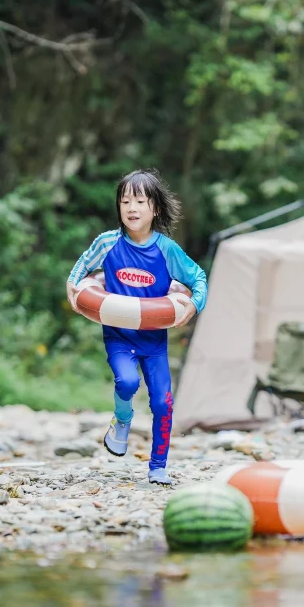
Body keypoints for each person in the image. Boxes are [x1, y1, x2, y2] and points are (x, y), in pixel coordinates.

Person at [67, 169, 208, 485]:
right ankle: (123, 419)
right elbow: (81, 267)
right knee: (127, 382)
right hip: (119, 336)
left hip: (154, 342)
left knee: (162, 402)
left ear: (154, 208)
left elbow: (198, 278)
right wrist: (72, 286)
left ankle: (158, 466)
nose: (131, 208)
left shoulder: (167, 250)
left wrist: (193, 304)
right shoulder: (108, 243)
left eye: (140, 201)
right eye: (125, 201)